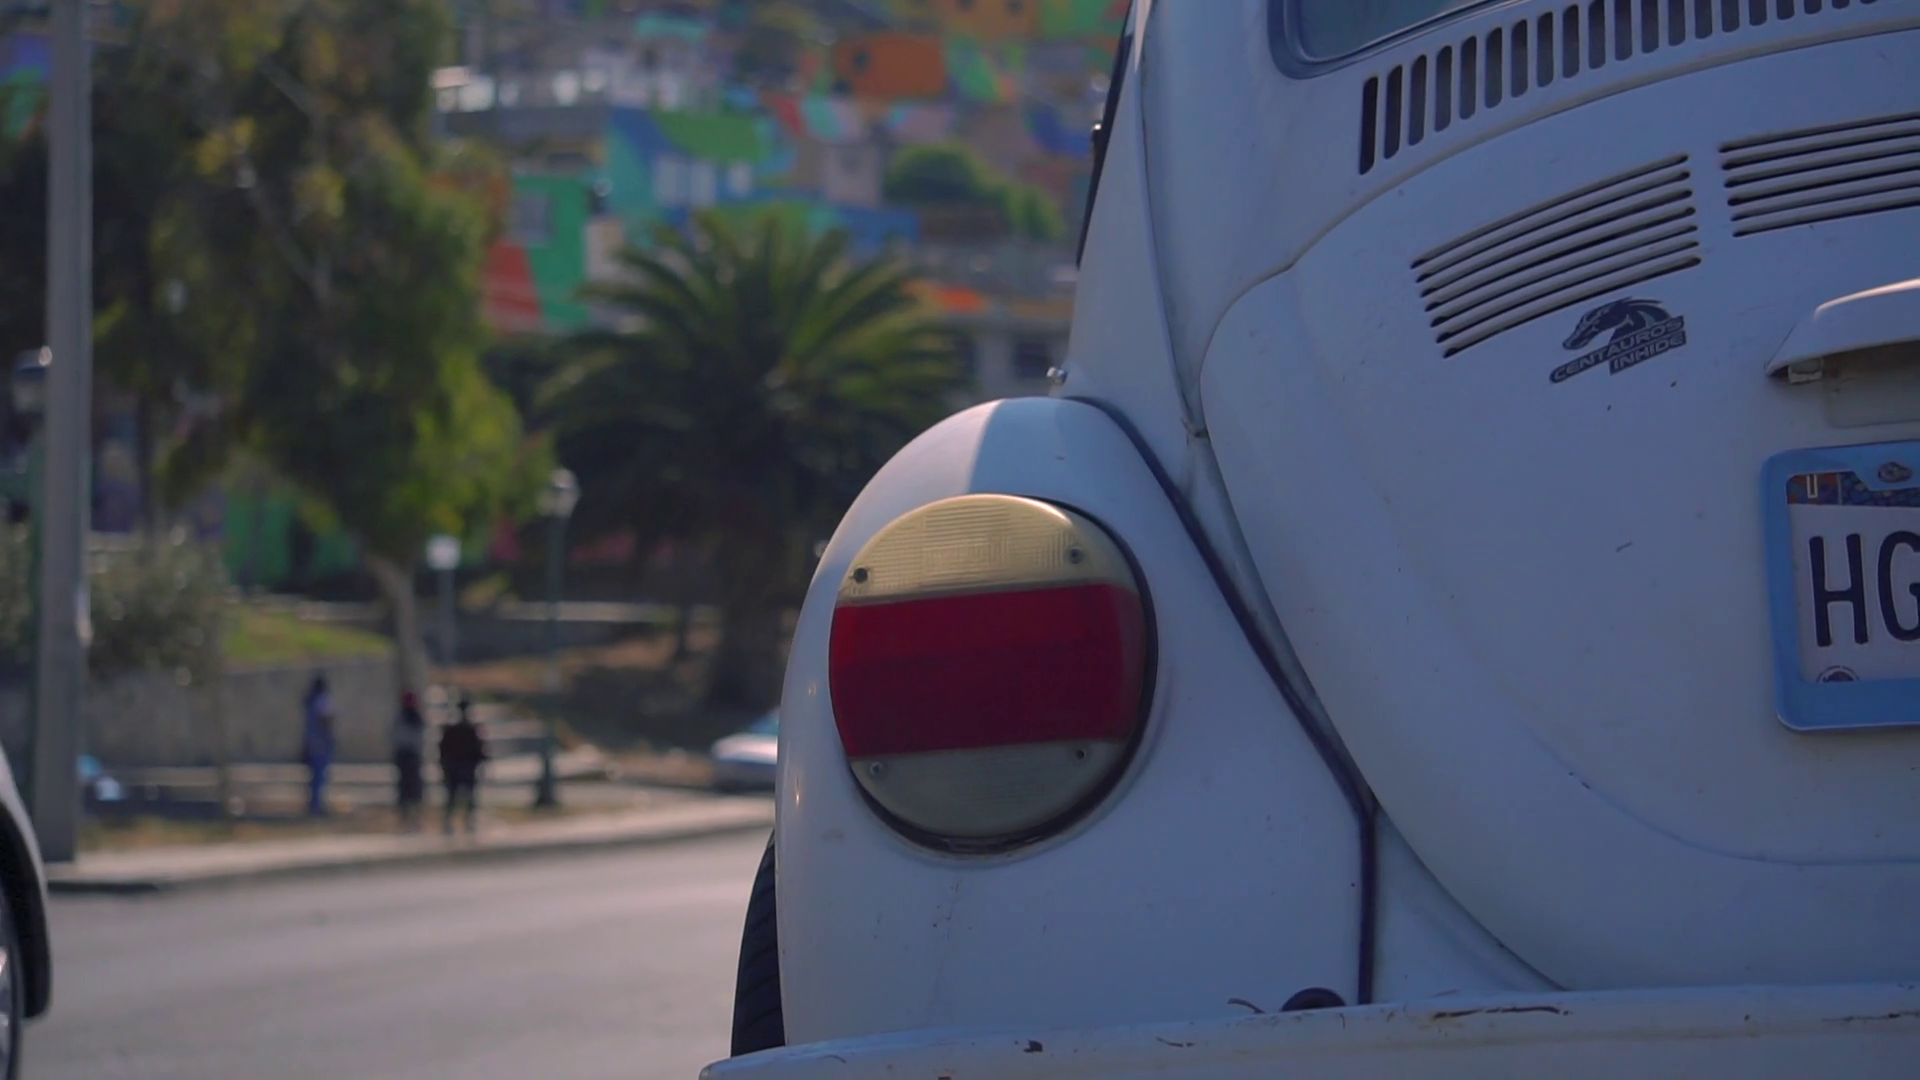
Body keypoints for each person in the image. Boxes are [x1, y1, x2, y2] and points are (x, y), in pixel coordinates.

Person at [438, 697, 489, 836]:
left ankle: (455, 824)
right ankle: (462, 824)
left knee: (456, 798)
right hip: (463, 766)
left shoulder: (458, 729)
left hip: (460, 766)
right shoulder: (469, 729)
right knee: (461, 798)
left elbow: (443, 750)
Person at [301, 673, 336, 817]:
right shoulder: (321, 701)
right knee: (320, 777)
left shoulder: (310, 703)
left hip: (312, 744)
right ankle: (317, 806)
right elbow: (326, 718)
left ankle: (314, 805)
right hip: (321, 744)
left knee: (315, 778)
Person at [393, 691, 428, 830]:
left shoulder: (405, 719)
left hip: (406, 755)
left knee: (408, 786)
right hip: (410, 756)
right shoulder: (413, 719)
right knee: (410, 787)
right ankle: (410, 817)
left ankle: (409, 817)